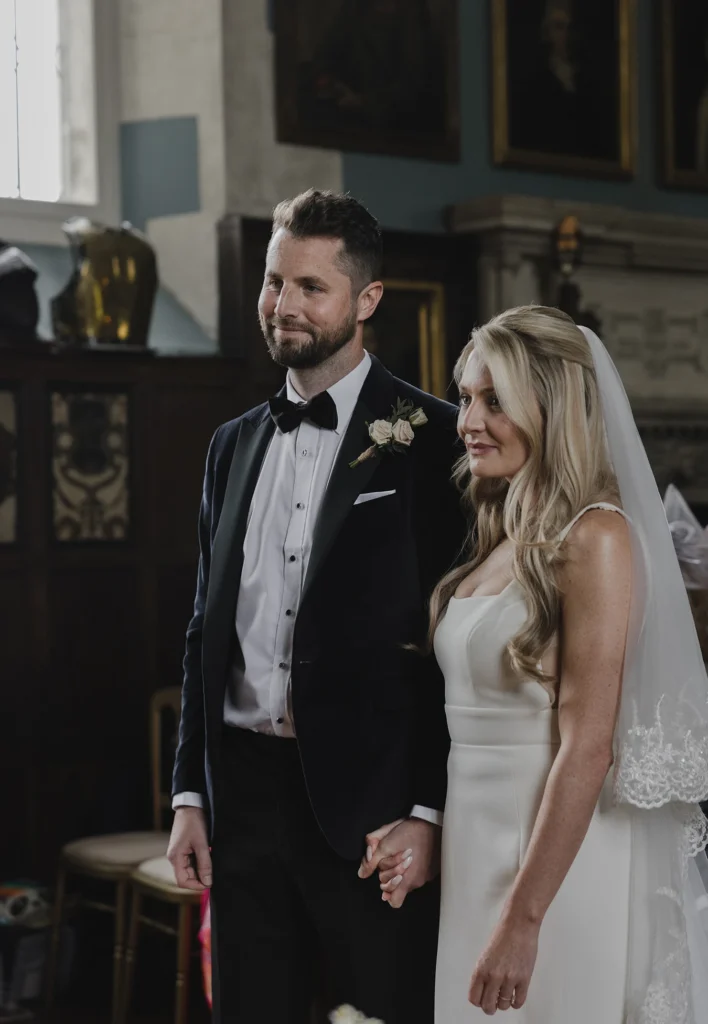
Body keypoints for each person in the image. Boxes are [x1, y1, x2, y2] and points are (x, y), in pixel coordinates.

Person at [166, 188, 465, 1023]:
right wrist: (190, 794)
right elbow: (203, 631)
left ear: (367, 300)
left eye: (310, 287)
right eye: (274, 282)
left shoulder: (437, 440)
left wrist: (430, 812)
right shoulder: (232, 445)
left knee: (390, 1009)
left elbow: (458, 644)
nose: (283, 306)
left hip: (372, 813)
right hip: (244, 802)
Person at [373, 305, 708, 1020]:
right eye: (466, 396)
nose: (468, 420)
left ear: (549, 406)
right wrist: (428, 824)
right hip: (476, 840)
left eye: (495, 400)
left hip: (554, 859)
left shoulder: (598, 538)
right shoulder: (503, 530)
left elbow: (588, 747)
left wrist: (525, 920)